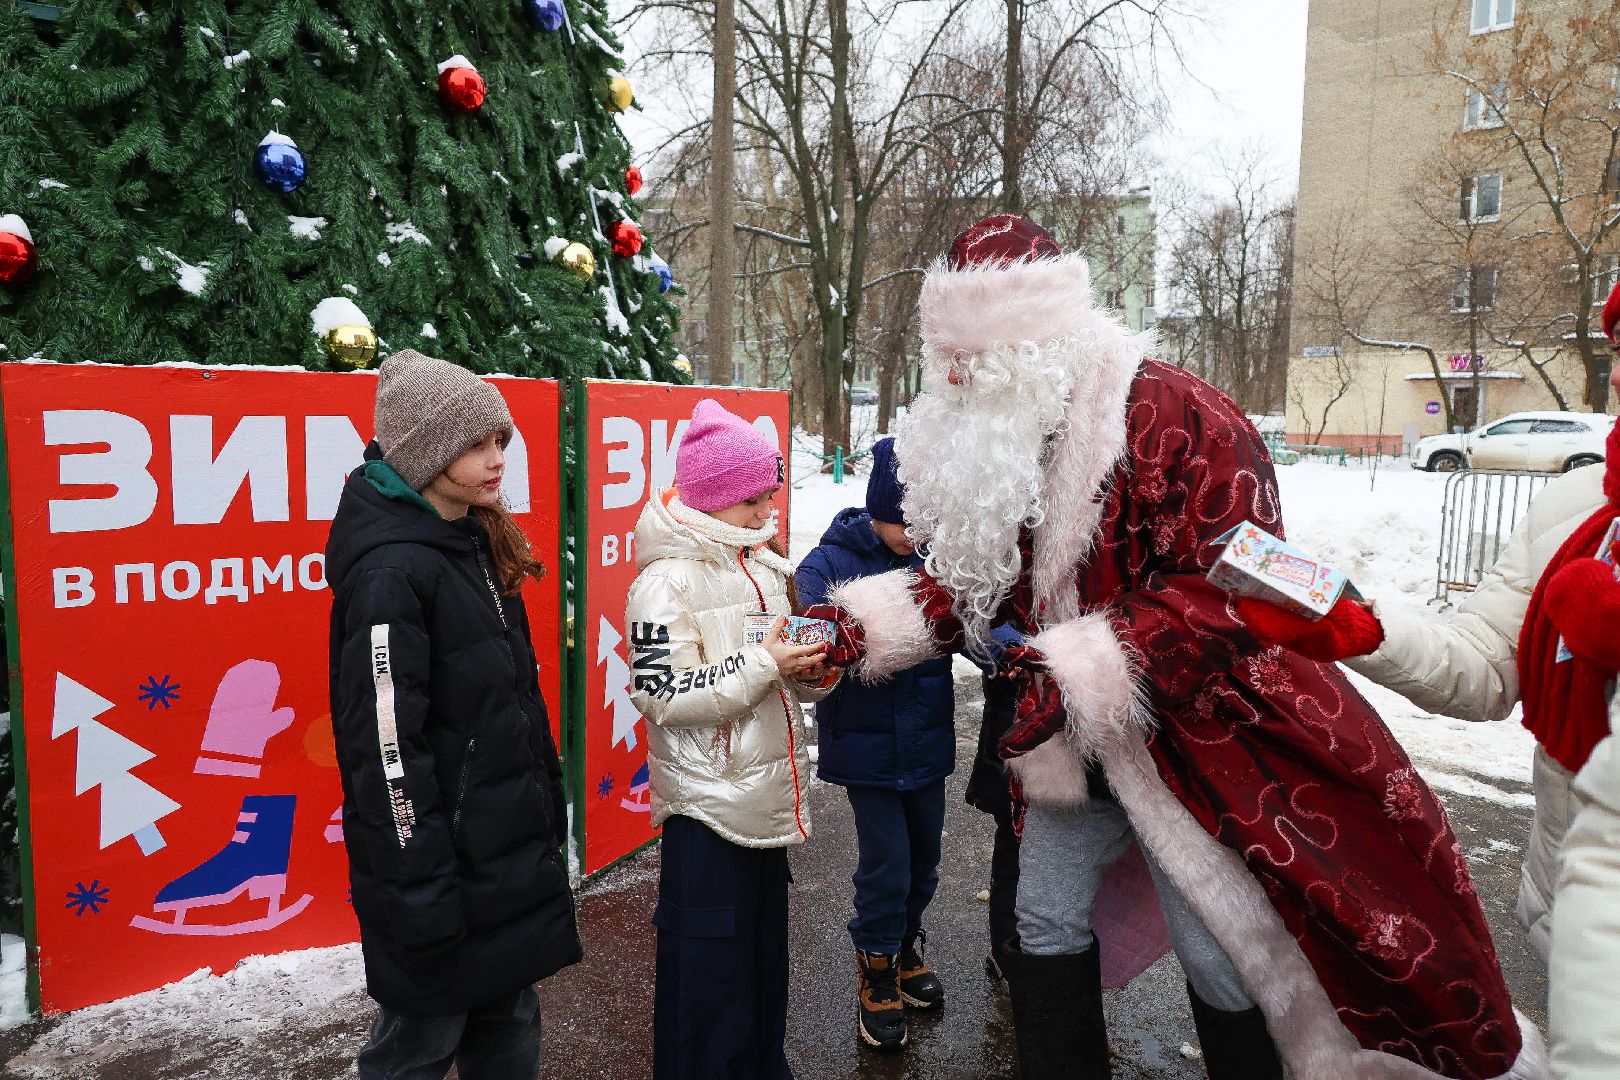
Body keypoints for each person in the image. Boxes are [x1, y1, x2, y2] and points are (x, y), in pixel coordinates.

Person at [805, 215, 1546, 1080]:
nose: (959, 375)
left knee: (1219, 944)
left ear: (1039, 339)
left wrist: (1077, 666)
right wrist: (854, 625)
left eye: (979, 353)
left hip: (1200, 740)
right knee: (1040, 920)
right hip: (1070, 745)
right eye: (949, 357)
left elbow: (1238, 582)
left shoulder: (1176, 413)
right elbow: (971, 577)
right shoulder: (1003, 439)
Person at [1239, 282, 1620, 965]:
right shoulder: (1577, 505)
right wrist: (1366, 631)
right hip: (1576, 915)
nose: (1618, 371)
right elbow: (1484, 664)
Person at [325, 349, 580, 1080]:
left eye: (500, 439)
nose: (497, 457)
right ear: (423, 451)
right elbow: (386, 755)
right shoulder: (389, 576)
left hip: (498, 867)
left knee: (508, 1032)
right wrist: (421, 892)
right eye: (475, 442)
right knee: (419, 1047)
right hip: (438, 879)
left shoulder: (471, 541)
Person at [625, 399, 837, 1079]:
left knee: (759, 973)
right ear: (711, 499)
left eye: (768, 496)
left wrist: (813, 673)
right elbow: (660, 694)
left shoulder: (765, 566)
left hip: (765, 805)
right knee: (705, 987)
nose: (765, 512)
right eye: (751, 500)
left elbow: (777, 673)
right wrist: (766, 664)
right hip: (707, 814)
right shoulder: (662, 583)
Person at [794, 437, 954, 1052]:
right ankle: (877, 964)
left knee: (924, 858)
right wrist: (844, 636)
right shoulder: (829, 562)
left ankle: (907, 945)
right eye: (903, 519)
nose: (913, 533)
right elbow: (812, 641)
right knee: (885, 862)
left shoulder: (935, 559)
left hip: (928, 738)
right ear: (877, 506)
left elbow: (969, 623)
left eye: (924, 520)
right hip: (866, 746)